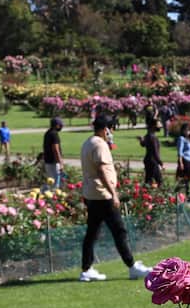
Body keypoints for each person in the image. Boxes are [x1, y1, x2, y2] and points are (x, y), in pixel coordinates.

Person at [79, 115, 149, 283]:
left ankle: (86, 269)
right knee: (119, 231)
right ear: (106, 129)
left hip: (91, 194)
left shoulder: (88, 142)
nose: (112, 132)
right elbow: (102, 170)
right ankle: (132, 266)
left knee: (92, 233)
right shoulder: (100, 144)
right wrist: (113, 193)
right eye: (111, 129)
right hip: (103, 195)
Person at [176, 122, 190, 196]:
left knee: (187, 178)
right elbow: (180, 151)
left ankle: (184, 193)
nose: (187, 132)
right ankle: (184, 194)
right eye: (186, 130)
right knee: (184, 178)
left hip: (189, 160)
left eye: (188, 130)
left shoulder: (189, 139)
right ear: (182, 130)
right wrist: (180, 162)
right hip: (184, 160)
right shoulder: (181, 139)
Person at [140, 118, 163, 185]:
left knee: (148, 180)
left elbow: (143, 144)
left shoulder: (148, 135)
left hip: (148, 160)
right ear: (153, 126)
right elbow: (155, 151)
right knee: (159, 181)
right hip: (153, 161)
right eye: (158, 125)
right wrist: (160, 162)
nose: (160, 126)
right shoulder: (153, 137)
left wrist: (141, 140)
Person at [42, 117, 64, 189]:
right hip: (54, 162)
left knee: (50, 181)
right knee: (55, 184)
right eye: (60, 125)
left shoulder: (47, 133)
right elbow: (55, 149)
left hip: (47, 161)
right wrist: (60, 162)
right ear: (56, 125)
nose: (61, 126)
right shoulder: (54, 134)